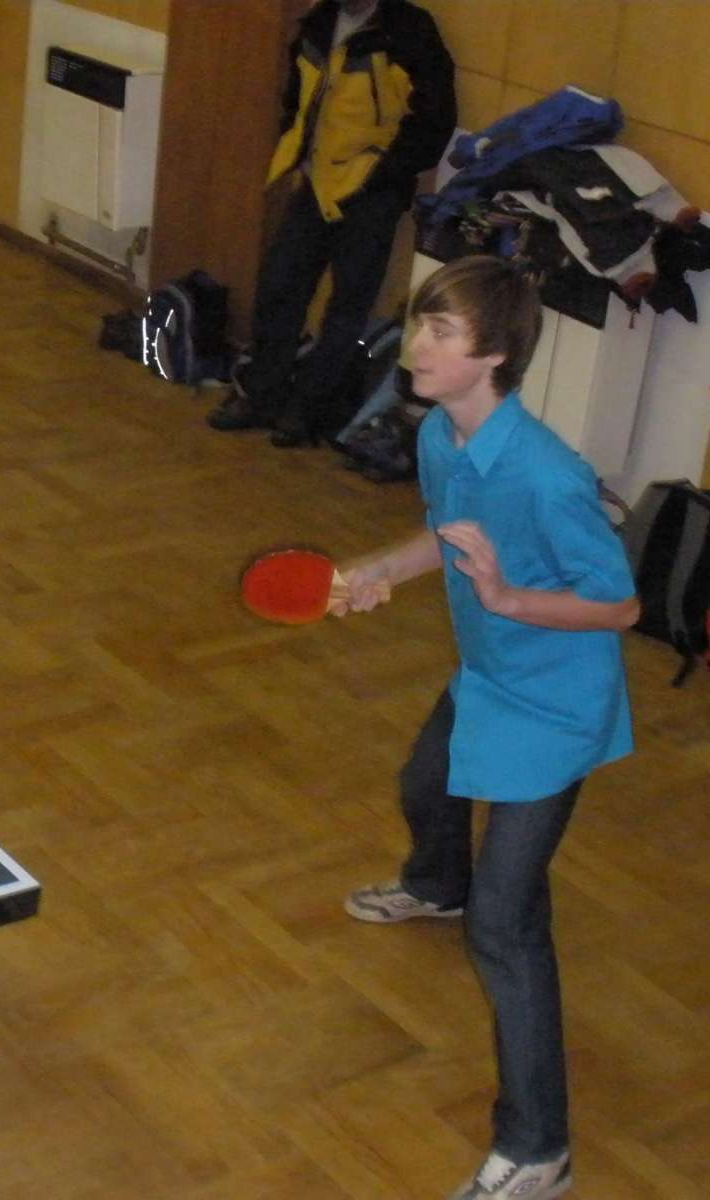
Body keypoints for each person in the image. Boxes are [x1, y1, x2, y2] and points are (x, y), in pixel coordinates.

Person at [335, 255, 639, 1200]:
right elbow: (447, 531)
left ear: (495, 355)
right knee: (423, 784)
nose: (416, 345)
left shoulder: (550, 477)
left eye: (441, 332)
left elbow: (620, 606)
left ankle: (539, 1148)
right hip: (488, 676)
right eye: (419, 322)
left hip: (555, 708)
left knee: (506, 926)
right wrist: (379, 570)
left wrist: (506, 597)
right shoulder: (441, 434)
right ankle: (436, 884)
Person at [208, 0, 455, 447]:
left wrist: (384, 175)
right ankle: (260, 395)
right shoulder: (319, 24)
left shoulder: (408, 32)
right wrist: (297, 152)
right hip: (316, 185)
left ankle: (307, 411)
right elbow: (297, 100)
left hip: (371, 196)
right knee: (279, 287)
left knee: (347, 310)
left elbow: (435, 121)